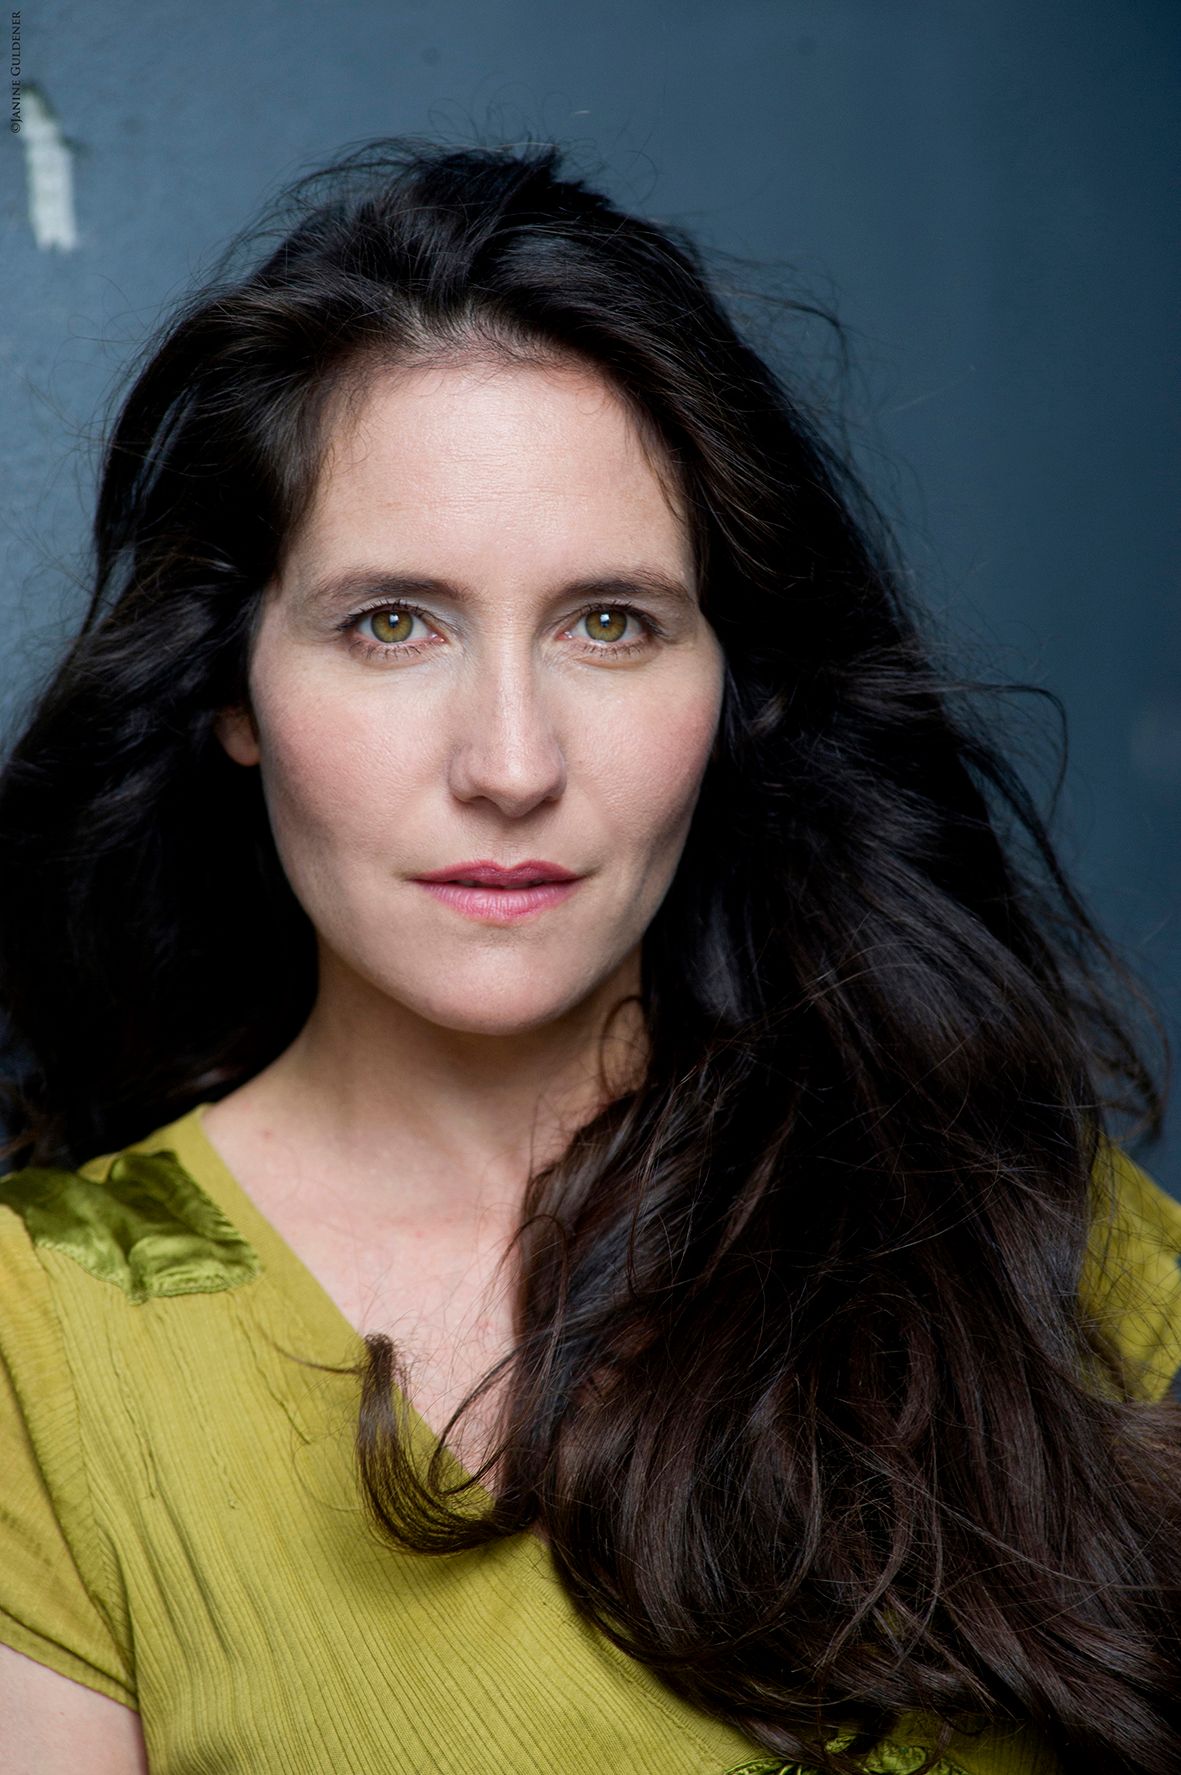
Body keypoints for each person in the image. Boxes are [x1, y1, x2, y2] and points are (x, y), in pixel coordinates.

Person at [0, 135, 1178, 1775]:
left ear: (729, 684)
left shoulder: (1007, 1216)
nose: (510, 762)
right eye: (390, 623)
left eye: (609, 623)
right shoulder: (42, 1342)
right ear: (232, 688)